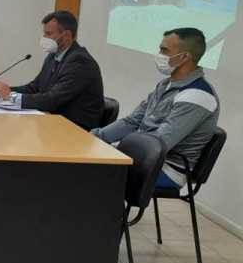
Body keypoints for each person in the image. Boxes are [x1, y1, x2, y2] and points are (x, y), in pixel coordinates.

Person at [93, 27, 219, 188]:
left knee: (92, 171)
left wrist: (117, 149)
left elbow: (159, 143)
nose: (159, 54)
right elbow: (132, 121)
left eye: (164, 50)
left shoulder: (198, 96)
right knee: (88, 160)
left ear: (185, 57)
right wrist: (95, 137)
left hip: (165, 169)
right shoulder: (165, 85)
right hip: (144, 157)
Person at [0, 10, 104, 129]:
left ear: (66, 35)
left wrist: (11, 96)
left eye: (48, 34)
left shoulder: (80, 61)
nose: (44, 38)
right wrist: (3, 91)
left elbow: (53, 100)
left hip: (75, 128)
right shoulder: (53, 56)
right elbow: (34, 87)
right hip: (53, 121)